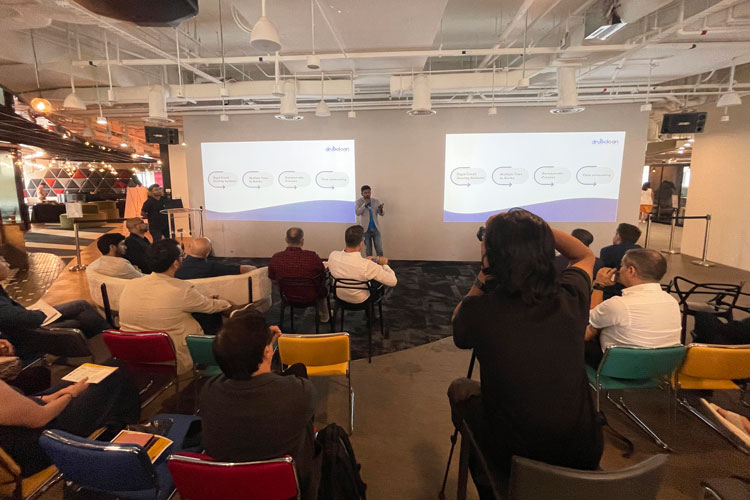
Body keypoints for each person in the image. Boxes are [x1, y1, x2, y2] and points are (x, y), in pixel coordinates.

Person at [449, 209, 602, 497]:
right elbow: (584, 255)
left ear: (491, 256)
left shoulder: (478, 312)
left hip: (514, 457)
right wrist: (534, 229)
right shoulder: (571, 297)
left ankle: (489, 485)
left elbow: (458, 325)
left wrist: (482, 276)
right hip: (582, 449)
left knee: (460, 389)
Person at [199, 313, 318, 499]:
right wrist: (264, 344)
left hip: (228, 486)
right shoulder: (299, 391)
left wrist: (261, 343)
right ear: (266, 352)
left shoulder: (209, 390)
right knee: (298, 372)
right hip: (283, 485)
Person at [0, 363, 140, 477]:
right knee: (114, 376)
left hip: (27, 426)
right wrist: (71, 394)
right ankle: (127, 448)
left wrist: (51, 397)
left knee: (97, 373)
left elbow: (17, 404)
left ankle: (115, 431)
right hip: (42, 441)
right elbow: (41, 418)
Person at [118, 239, 232, 374]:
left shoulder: (131, 285)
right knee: (210, 316)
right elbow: (210, 306)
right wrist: (227, 303)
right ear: (176, 263)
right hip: (171, 358)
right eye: (182, 256)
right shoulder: (182, 289)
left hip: (133, 355)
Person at [585, 249, 681, 367]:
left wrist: (599, 285)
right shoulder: (672, 302)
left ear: (631, 271)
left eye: (621, 266)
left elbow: (587, 321)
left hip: (620, 367)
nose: (619, 270)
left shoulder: (618, 305)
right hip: (660, 367)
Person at [0, 260, 109, 360]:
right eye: (2, 261)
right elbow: (22, 318)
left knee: (81, 307)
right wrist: (39, 313)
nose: (7, 264)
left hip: (25, 325)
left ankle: (105, 342)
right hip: (28, 334)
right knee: (80, 316)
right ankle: (109, 339)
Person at [268, 228, 329, 323]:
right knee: (325, 281)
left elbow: (273, 280)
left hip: (287, 296)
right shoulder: (312, 257)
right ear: (302, 241)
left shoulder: (276, 258)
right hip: (311, 296)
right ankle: (324, 315)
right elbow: (322, 275)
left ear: (286, 240)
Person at [327, 225, 397, 304]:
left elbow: (350, 263)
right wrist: (384, 264)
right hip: (361, 301)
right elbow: (393, 281)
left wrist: (365, 260)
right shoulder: (368, 266)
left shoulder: (333, 256)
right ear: (361, 243)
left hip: (339, 297)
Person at [598, 223, 642, 299]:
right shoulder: (642, 252)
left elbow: (604, 272)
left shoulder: (607, 251)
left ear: (618, 236)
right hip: (636, 292)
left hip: (611, 292)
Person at [174, 237, 253, 280]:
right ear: (208, 252)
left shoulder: (176, 267)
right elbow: (243, 269)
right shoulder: (212, 267)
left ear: (189, 247)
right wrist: (255, 268)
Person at [355, 185, 385, 257]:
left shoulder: (375, 201)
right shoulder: (359, 202)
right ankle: (370, 264)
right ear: (362, 193)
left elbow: (381, 214)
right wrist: (364, 204)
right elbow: (357, 213)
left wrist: (380, 209)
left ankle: (381, 263)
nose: (367, 194)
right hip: (365, 230)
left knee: (379, 249)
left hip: (376, 229)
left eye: (369, 192)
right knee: (368, 250)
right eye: (365, 193)